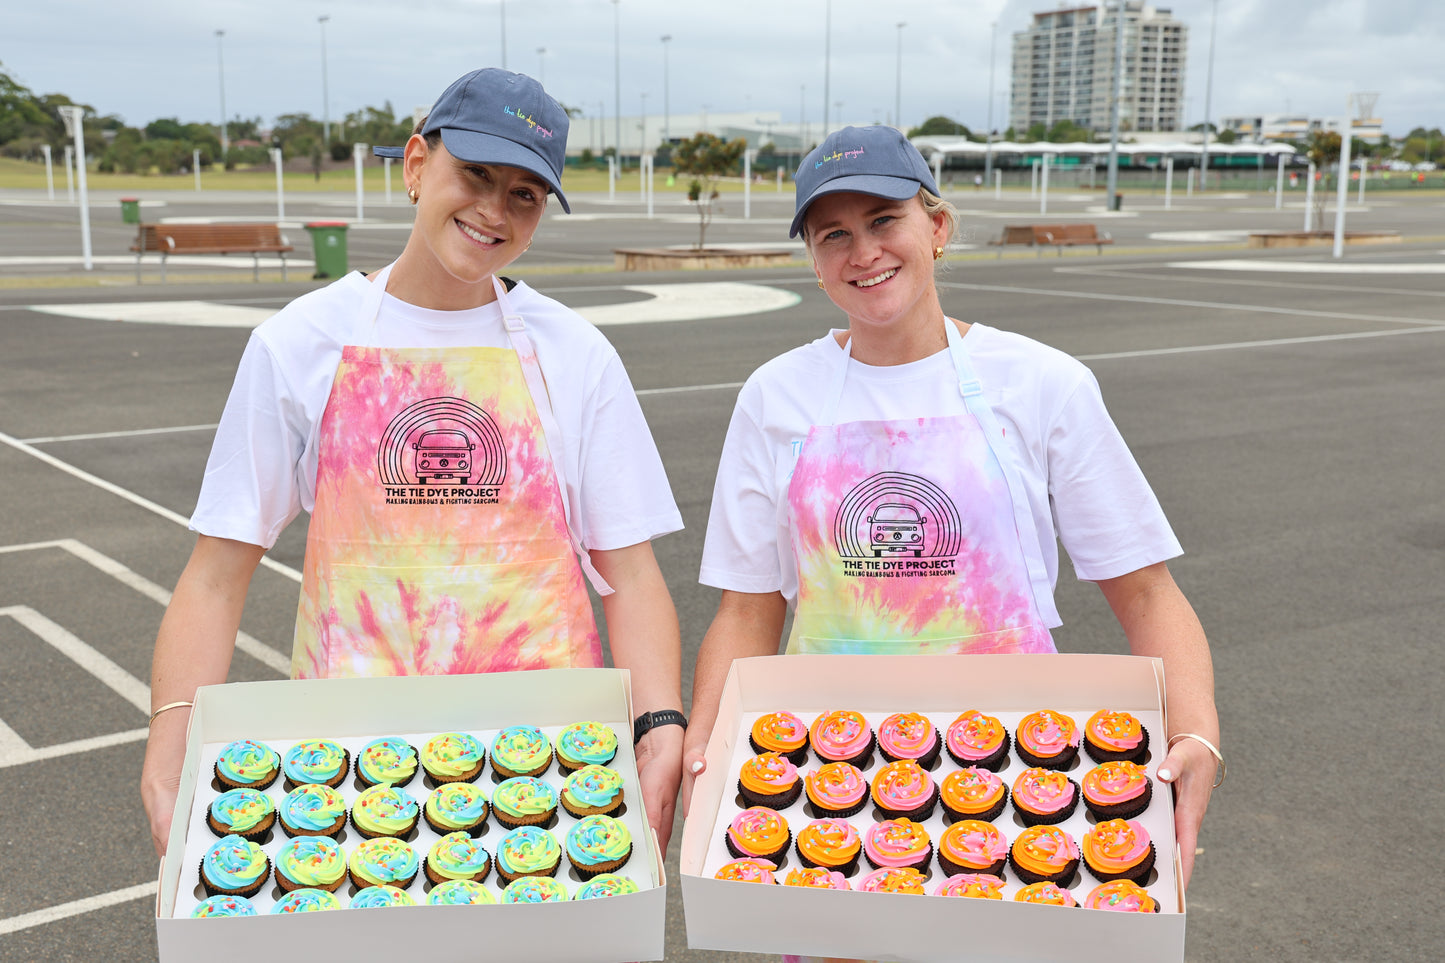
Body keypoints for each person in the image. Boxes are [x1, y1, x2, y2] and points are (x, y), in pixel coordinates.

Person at [140, 68, 686, 856]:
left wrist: (659, 721)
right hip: (353, 770)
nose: (494, 210)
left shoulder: (576, 354)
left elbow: (629, 573)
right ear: (416, 164)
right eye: (476, 174)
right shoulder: (300, 343)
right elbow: (218, 569)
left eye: (525, 195)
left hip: (552, 767)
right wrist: (170, 742)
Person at [682, 125, 1220, 891]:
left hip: (1015, 765)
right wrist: (709, 742)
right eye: (833, 233)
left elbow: (1145, 591)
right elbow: (746, 609)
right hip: (824, 770)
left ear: (935, 227)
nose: (861, 250)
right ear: (812, 256)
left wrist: (1197, 731)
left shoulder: (1041, 382)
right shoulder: (776, 394)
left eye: (883, 220)